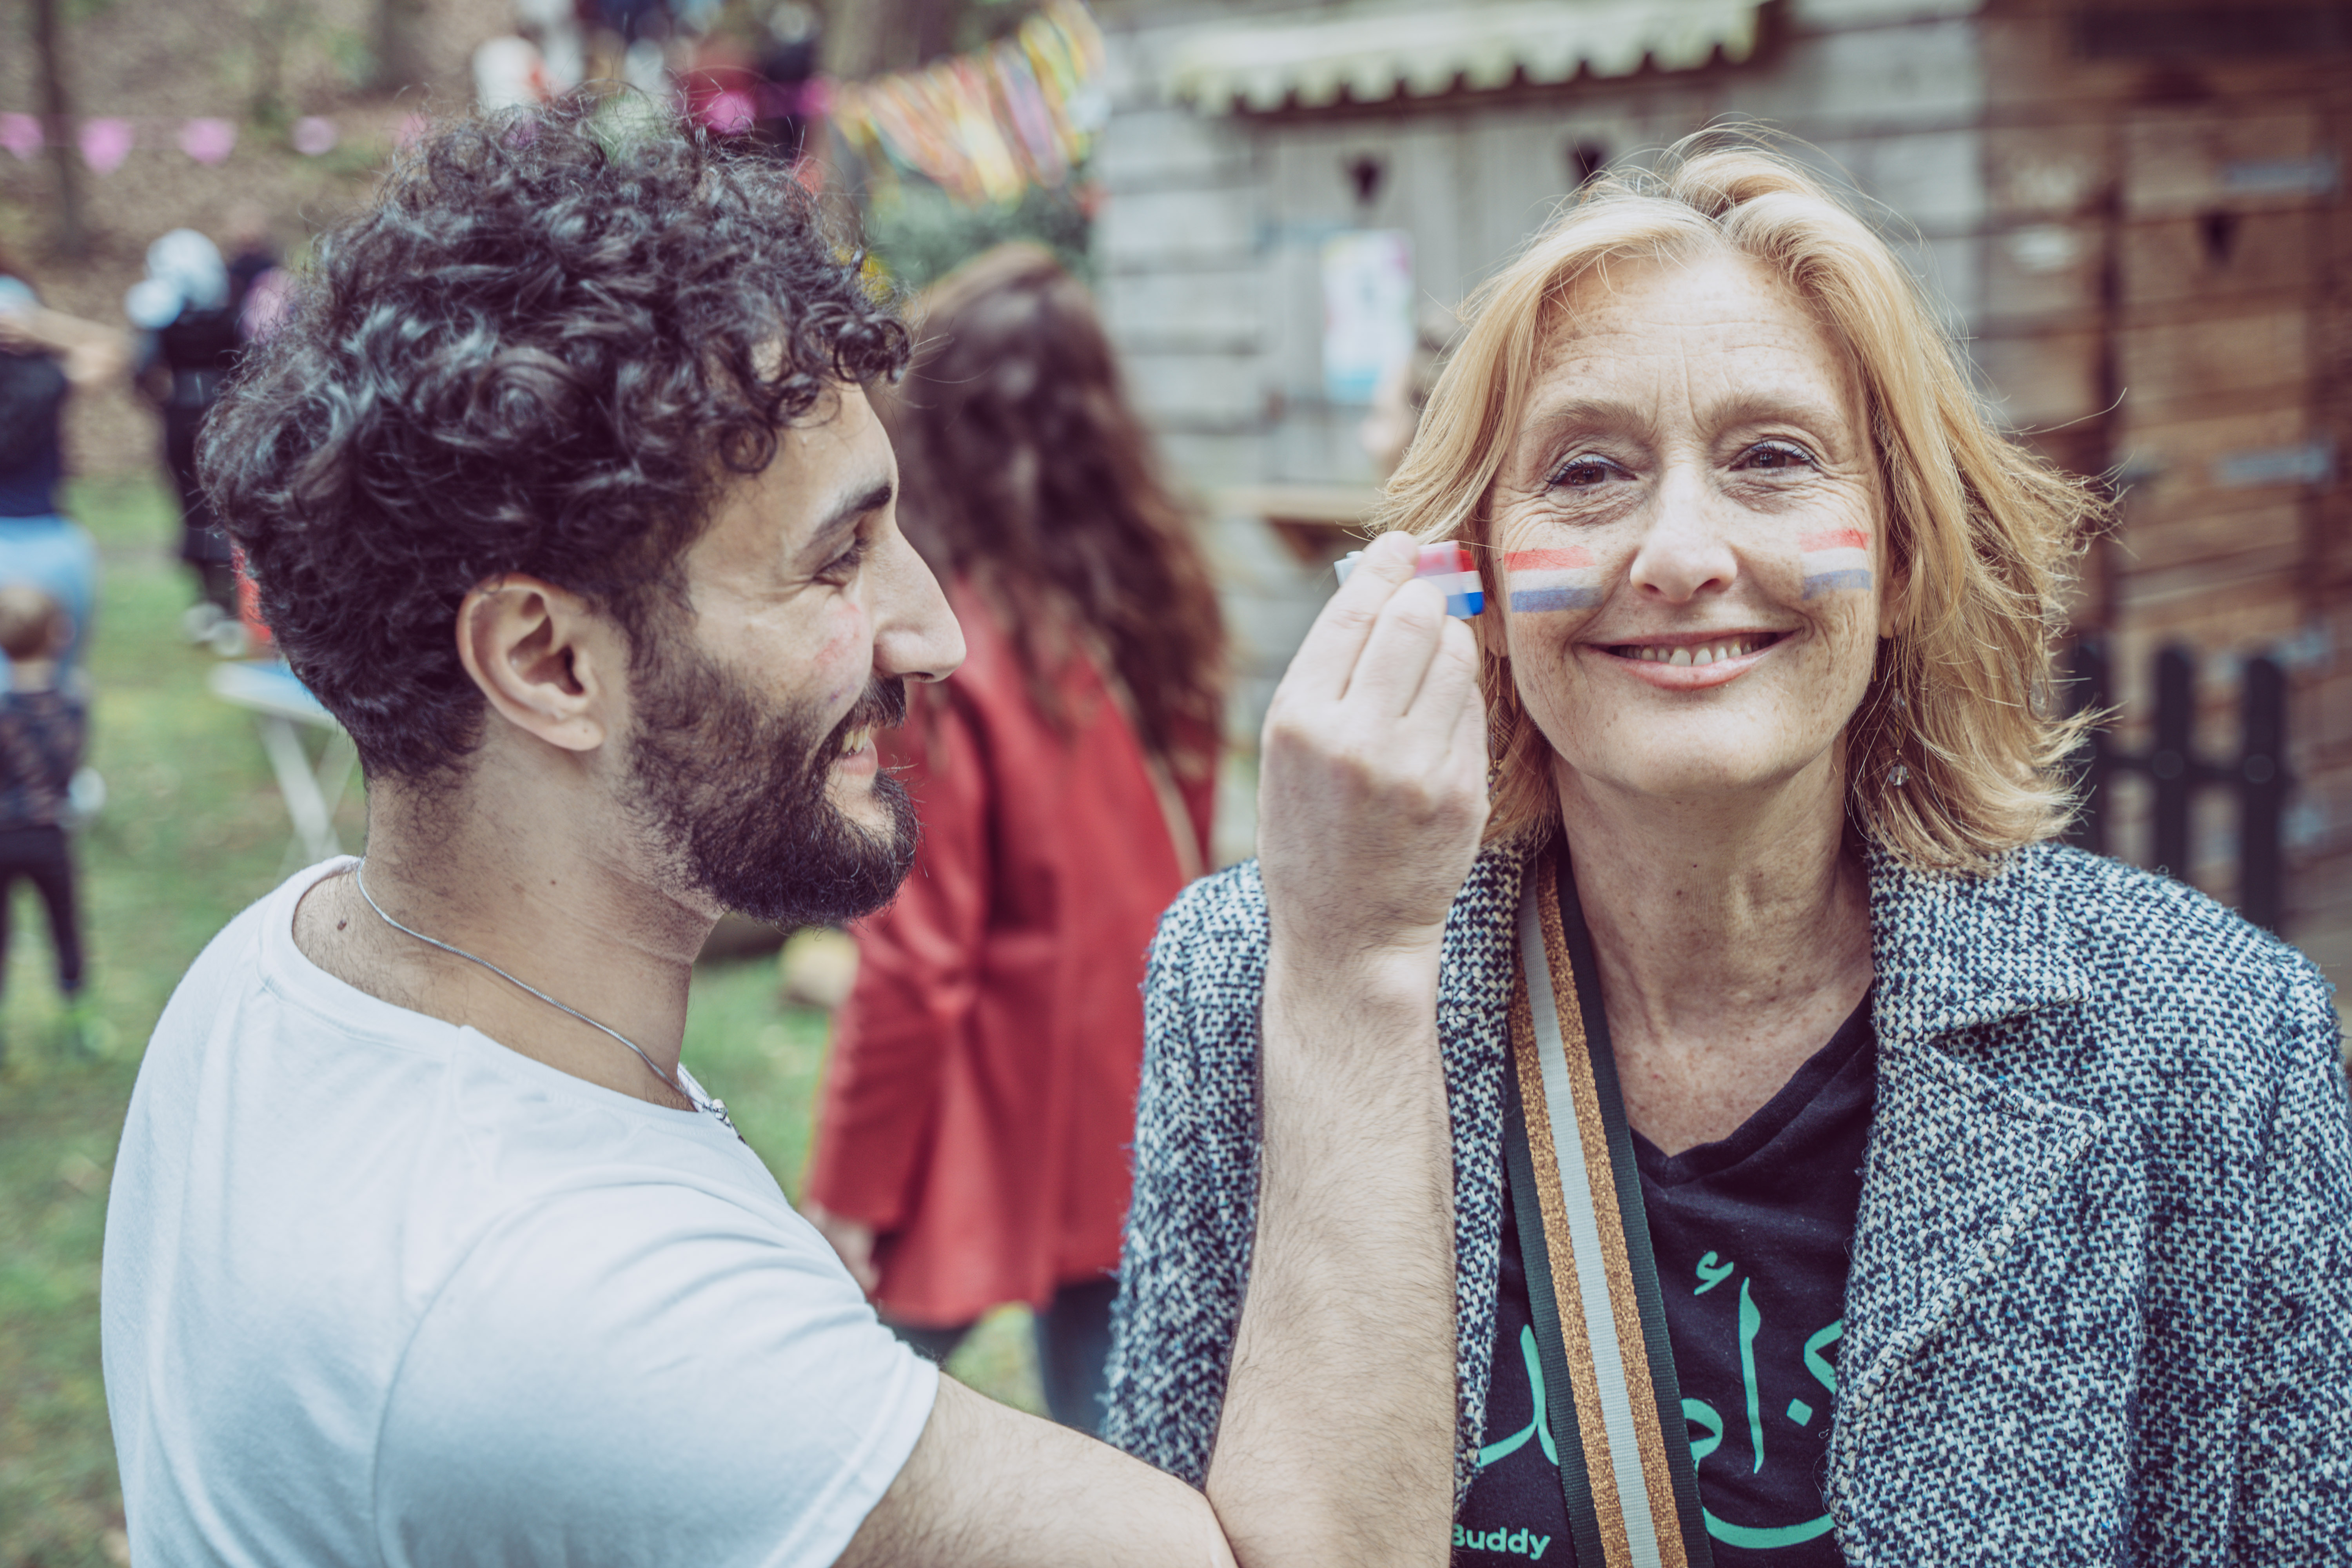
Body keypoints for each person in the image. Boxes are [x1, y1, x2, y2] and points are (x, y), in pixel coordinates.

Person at [102, 101, 1485, 1567]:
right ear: (550, 661)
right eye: (838, 556)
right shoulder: (597, 1325)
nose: (935, 631)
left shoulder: (269, 970)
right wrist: (1355, 958)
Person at [1104, 138, 2352, 1566]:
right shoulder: (1256, 979)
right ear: (1474, 579)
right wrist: (1349, 966)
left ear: (1901, 557)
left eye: (1771, 457)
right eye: (1586, 471)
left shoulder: (2211, 1041)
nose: (1680, 553)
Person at [801, 243, 1225, 1434]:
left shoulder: (943, 650)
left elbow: (915, 956)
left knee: (835, 1413)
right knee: (1125, 1447)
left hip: (999, 1098)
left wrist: (849, 1190)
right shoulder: (1153, 595)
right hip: (1138, 1082)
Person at [0, 258, 127, 675]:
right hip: (58, 551)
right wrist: (39, 327)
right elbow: (115, 349)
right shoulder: (50, 380)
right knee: (57, 685)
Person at [127, 229, 244, 637]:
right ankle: (224, 604)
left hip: (183, 419)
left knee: (192, 504)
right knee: (222, 506)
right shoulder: (228, 317)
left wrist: (162, 398)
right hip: (223, 417)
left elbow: (142, 372)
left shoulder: (163, 324)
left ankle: (210, 602)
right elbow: (247, 364)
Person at [0, 582, 89, 1063]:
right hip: (51, 835)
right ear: (59, 634)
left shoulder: (3, 711)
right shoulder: (74, 703)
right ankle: (78, 1026)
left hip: (3, 837)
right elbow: (70, 769)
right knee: (65, 927)